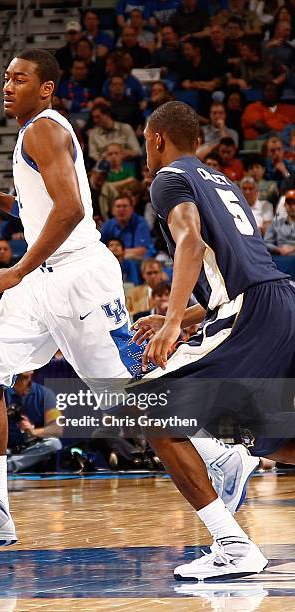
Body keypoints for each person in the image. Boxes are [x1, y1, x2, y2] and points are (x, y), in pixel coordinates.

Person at [0, 50, 253, 552]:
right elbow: (47, 207)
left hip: (77, 274)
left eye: (20, 78)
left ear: (46, 89)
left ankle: (219, 454)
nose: (8, 85)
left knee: (132, 397)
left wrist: (17, 268)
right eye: (6, 77)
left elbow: (72, 210)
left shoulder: (42, 128)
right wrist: (0, 202)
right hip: (47, 279)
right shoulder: (36, 133)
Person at [132, 100, 295, 580]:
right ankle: (230, 461)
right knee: (280, 439)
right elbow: (235, 267)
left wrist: (170, 322)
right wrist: (182, 316)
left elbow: (190, 243)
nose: (146, 148)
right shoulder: (222, 181)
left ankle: (232, 545)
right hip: (280, 300)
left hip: (255, 311)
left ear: (158, 138)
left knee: (150, 409)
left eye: (145, 139)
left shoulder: (168, 179)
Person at [6, 372, 62, 473]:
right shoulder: (1, 393)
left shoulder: (45, 394)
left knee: (54, 443)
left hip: (31, 448)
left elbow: (57, 429)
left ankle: (8, 466)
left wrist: (33, 431)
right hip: (6, 448)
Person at [101, 194, 153, 260]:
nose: (121, 209)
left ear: (132, 208)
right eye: (118, 206)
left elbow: (141, 250)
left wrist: (116, 252)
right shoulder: (107, 225)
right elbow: (100, 248)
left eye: (124, 206)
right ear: (113, 210)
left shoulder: (140, 223)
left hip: (135, 260)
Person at [264, 190, 295, 256]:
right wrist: (278, 250)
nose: (292, 206)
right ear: (285, 205)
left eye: (294, 203)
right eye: (289, 203)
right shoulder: (275, 224)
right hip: (279, 256)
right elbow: (266, 242)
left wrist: (293, 248)